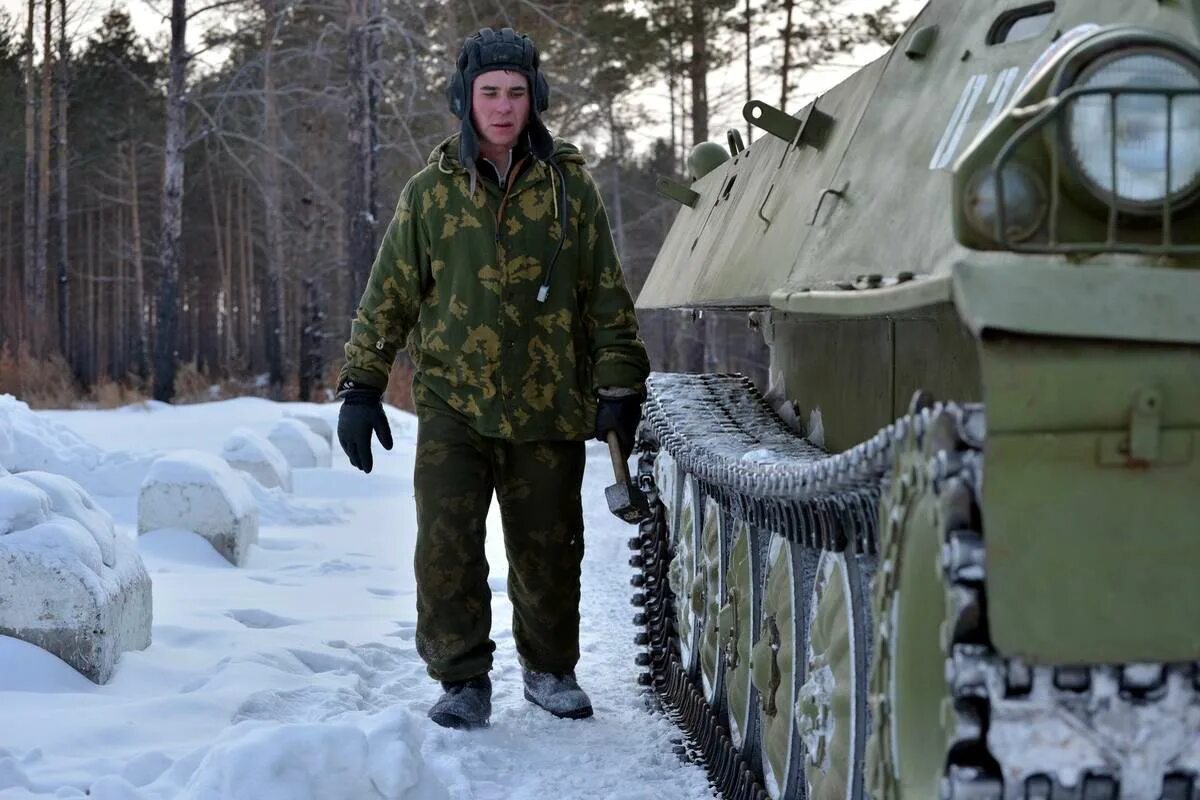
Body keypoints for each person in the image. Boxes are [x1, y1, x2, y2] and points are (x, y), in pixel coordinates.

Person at [334, 26, 650, 730]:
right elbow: (390, 293)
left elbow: (604, 293)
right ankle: (462, 679)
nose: (503, 108)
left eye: (515, 93)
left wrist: (621, 384)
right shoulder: (431, 193)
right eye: (489, 94)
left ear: (533, 98)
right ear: (464, 100)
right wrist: (362, 385)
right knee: (444, 544)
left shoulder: (571, 188)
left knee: (548, 546)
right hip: (453, 401)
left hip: (549, 401)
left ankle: (549, 668)